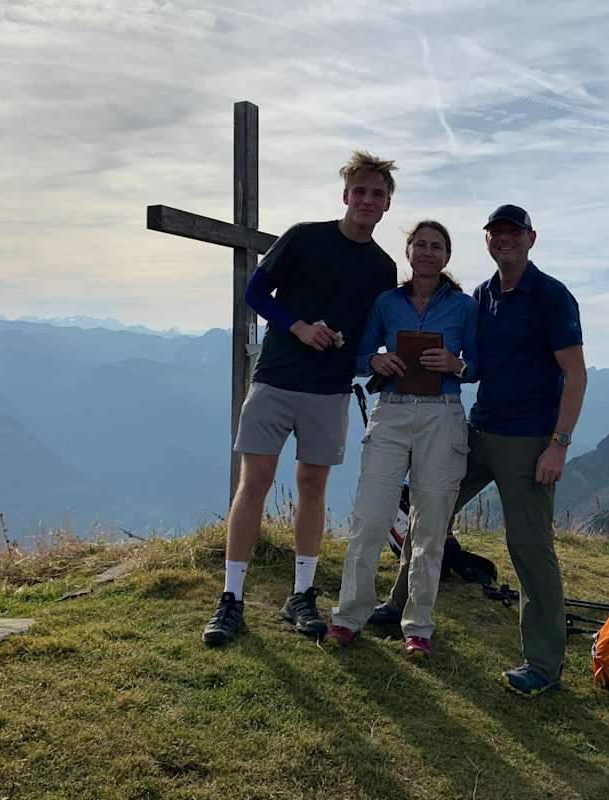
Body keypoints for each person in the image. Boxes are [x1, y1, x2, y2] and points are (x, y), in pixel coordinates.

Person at [371, 204, 586, 696]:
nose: (505, 239)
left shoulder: (551, 296)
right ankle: (397, 604)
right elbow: (478, 367)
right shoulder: (484, 295)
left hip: (529, 440)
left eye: (514, 232)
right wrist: (453, 365)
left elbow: (575, 375)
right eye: (497, 232)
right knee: (430, 512)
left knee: (528, 547)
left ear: (532, 238)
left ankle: (544, 665)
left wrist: (559, 445)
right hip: (478, 430)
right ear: (487, 240)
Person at [201, 151, 398, 646]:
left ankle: (302, 595)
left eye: (378, 194)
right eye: (361, 191)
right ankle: (231, 600)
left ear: (388, 203)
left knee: (312, 487)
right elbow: (256, 293)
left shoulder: (383, 267)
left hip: (329, 389)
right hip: (276, 379)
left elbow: (368, 332)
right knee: (256, 483)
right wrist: (298, 326)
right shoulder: (305, 237)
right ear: (345, 195)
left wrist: (366, 356)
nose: (368, 201)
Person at [322, 220, 478, 659]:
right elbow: (357, 356)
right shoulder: (386, 304)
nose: (428, 253)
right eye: (420, 245)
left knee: (429, 529)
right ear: (408, 252)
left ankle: (418, 627)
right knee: (369, 519)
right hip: (390, 412)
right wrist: (378, 358)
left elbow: (480, 364)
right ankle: (349, 617)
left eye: (437, 246)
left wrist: (456, 363)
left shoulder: (465, 309)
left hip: (442, 416)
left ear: (447, 257)